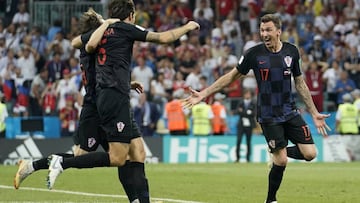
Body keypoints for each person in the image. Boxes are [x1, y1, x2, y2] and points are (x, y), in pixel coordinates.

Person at [46, 0, 199, 200]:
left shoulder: (102, 31)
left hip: (112, 93)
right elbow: (162, 38)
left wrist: (104, 26)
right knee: (118, 158)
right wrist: (187, 26)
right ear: (131, 15)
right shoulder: (125, 28)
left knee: (138, 153)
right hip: (113, 96)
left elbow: (77, 42)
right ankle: (62, 163)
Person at [183, 14, 330, 203]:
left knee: (310, 154)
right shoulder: (254, 54)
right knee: (282, 161)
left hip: (290, 111)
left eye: (268, 30)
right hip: (268, 115)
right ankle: (271, 199)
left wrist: (314, 112)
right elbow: (231, 77)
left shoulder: (292, 51)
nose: (264, 34)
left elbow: (300, 84)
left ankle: (276, 151)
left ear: (279, 31)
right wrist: (204, 93)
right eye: (262, 30)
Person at [14, 8, 146, 203]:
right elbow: (104, 74)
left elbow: (105, 74)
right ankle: (32, 166)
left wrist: (127, 83)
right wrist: (107, 24)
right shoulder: (94, 45)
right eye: (102, 24)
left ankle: (138, 201)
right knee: (84, 156)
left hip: (102, 106)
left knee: (126, 155)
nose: (108, 26)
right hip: (96, 109)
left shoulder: (90, 46)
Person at [235, 89, 256, 163]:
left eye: (248, 94)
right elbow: (237, 111)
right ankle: (237, 158)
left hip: (249, 124)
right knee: (239, 140)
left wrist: (243, 112)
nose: (247, 95)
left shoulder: (253, 103)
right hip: (241, 124)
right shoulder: (240, 102)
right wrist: (247, 113)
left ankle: (248, 158)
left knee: (248, 142)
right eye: (246, 94)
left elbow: (254, 113)